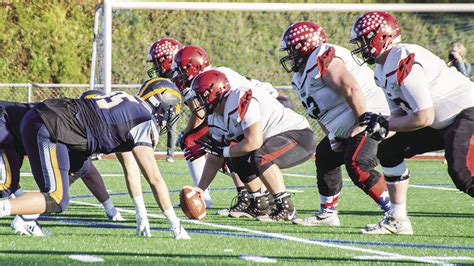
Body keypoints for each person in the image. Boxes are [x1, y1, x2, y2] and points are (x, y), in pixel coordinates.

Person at [0, 80, 190, 239]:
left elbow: (130, 165)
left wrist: (141, 212)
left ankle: (25, 220)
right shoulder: (143, 120)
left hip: (46, 117)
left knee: (80, 166)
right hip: (50, 127)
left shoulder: (126, 101)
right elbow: (155, 179)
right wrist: (176, 225)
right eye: (170, 111)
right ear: (162, 106)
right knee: (57, 198)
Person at [350, 11, 474, 234]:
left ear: (383, 37)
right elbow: (400, 115)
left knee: (461, 171)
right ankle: (398, 220)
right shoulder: (380, 70)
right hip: (441, 121)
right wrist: (381, 126)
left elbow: (423, 117)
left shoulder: (402, 57)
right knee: (388, 149)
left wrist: (385, 123)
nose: (361, 46)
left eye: (364, 40)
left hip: (466, 112)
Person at [277, 22, 391, 227]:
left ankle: (395, 213)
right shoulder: (299, 76)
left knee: (358, 162)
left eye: (292, 50)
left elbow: (350, 87)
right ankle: (328, 213)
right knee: (325, 156)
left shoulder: (322, 56)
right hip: (347, 123)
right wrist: (332, 135)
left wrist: (363, 120)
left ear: (305, 45)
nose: (290, 55)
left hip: (371, 114)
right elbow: (320, 113)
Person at [185, 70, 316, 221]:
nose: (198, 103)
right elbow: (215, 158)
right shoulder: (215, 118)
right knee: (236, 157)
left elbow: (254, 142)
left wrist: (224, 151)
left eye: (201, 97)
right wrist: (200, 189)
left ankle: (285, 206)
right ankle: (259, 204)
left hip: (299, 136)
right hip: (274, 141)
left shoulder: (239, 99)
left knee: (259, 156)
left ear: (215, 92)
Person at [0, 91, 124, 236]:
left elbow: (85, 169)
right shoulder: (73, 121)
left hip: (12, 131)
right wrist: (111, 210)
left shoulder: (73, 120)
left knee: (42, 189)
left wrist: (111, 209)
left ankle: (26, 219)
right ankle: (25, 218)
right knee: (6, 185)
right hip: (4, 123)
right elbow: (89, 172)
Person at [147, 38, 184, 163]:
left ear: (168, 59)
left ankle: (170, 154)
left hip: (172, 106)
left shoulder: (181, 79)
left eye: (157, 62)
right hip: (165, 105)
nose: (155, 67)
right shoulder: (169, 76)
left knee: (172, 127)